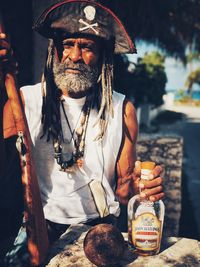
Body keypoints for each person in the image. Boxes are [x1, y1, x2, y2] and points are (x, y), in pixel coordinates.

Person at [0, 0, 164, 264]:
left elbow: (124, 191)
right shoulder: (23, 103)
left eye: (86, 47)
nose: (75, 56)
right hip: (41, 230)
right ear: (55, 51)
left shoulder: (121, 110)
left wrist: (142, 185)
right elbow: (6, 172)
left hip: (102, 231)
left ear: (103, 57)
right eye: (67, 45)